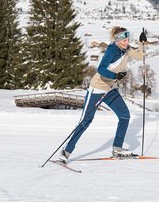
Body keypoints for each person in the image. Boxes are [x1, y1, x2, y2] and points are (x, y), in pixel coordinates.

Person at [59, 26, 147, 162]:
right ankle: (66, 151)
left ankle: (117, 148)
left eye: (128, 39)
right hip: (97, 88)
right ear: (117, 40)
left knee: (124, 116)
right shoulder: (111, 51)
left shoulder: (127, 50)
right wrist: (116, 75)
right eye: (124, 40)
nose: (127, 42)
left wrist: (142, 43)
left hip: (110, 89)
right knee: (86, 121)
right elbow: (101, 69)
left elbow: (141, 56)